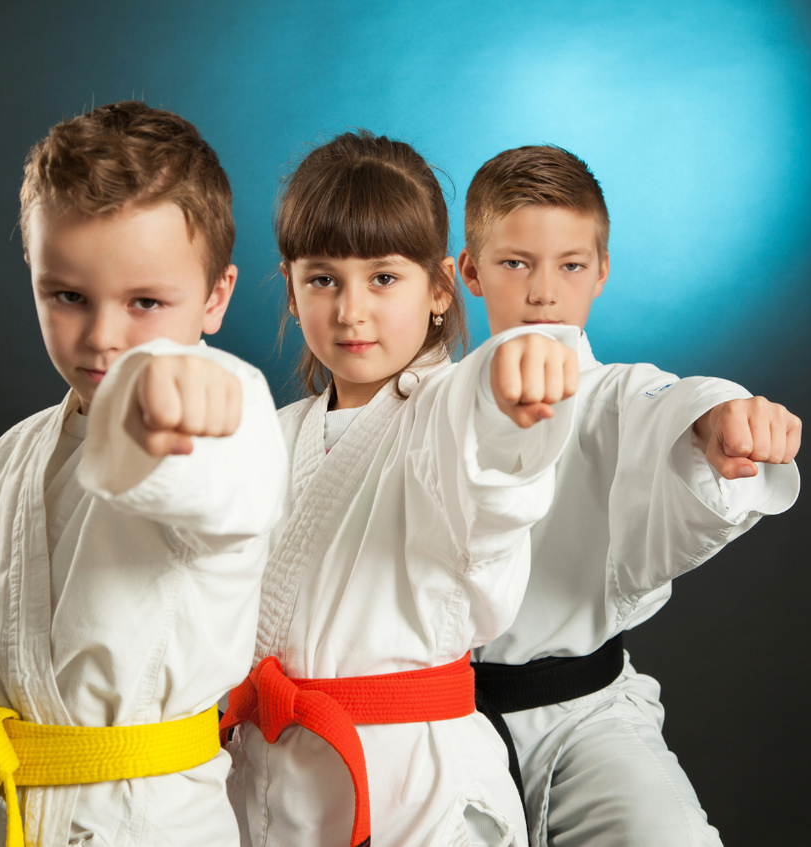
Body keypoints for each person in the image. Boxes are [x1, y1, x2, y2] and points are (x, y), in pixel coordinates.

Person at [0, 101, 286, 847]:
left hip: (142, 821)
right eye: (67, 296)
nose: (104, 336)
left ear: (215, 297)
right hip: (1, 814)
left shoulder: (224, 418)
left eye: (146, 301)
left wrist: (182, 399)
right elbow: (72, 646)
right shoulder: (16, 450)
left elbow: (221, 488)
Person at [220, 130, 579, 847]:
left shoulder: (448, 410)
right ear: (290, 289)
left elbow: (488, 438)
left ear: (440, 287)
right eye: (323, 279)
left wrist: (523, 360)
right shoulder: (264, 430)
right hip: (263, 781)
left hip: (416, 793)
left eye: (383, 278)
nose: (351, 309)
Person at [458, 145, 801, 847]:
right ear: (468, 271)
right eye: (514, 263)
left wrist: (723, 417)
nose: (543, 293)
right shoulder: (428, 404)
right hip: (433, 728)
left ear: (601, 273)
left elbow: (670, 404)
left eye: (570, 265)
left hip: (583, 718)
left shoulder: (615, 393)